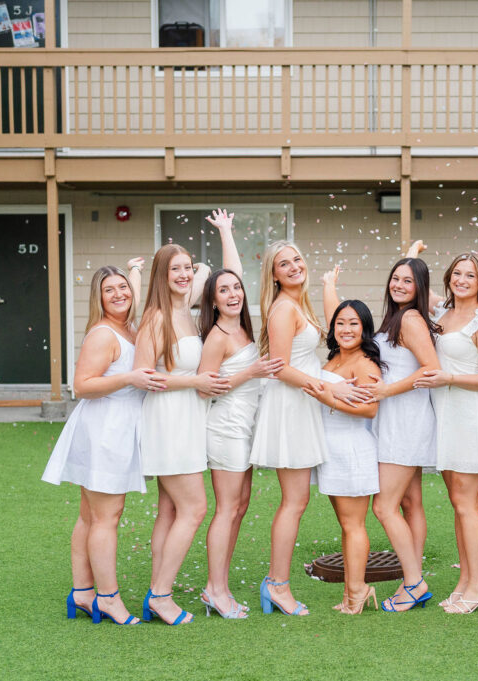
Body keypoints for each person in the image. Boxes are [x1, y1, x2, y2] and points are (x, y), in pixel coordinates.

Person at [249, 241, 368, 616]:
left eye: (297, 259)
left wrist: (328, 286)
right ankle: (277, 585)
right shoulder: (283, 309)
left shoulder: (300, 304)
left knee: (296, 501)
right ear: (273, 274)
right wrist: (326, 386)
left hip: (303, 402)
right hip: (291, 406)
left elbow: (333, 331)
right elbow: (280, 367)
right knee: (294, 502)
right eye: (284, 264)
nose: (294, 266)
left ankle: (277, 583)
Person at [42, 257, 160, 626]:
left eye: (123, 287)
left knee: (90, 515)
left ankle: (82, 592)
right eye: (109, 290)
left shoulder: (127, 327)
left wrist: (135, 272)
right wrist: (130, 379)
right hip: (106, 428)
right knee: (106, 517)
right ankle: (107, 598)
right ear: (99, 298)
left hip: (112, 427)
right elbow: (82, 386)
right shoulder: (103, 334)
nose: (119, 294)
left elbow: (135, 294)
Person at [335, 252, 439, 612]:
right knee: (410, 503)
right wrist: (329, 288)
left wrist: (384, 391)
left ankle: (413, 583)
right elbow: (345, 323)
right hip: (393, 420)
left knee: (384, 507)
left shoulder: (410, 319)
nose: (399, 285)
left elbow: (432, 369)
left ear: (420, 287)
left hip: (405, 421)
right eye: (396, 278)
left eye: (408, 280)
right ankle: (414, 575)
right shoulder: (396, 318)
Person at [197, 210, 284, 619]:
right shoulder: (217, 336)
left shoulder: (242, 327)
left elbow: (231, 270)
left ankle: (221, 584)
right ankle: (215, 589)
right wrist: (250, 371)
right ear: (212, 301)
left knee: (242, 504)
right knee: (227, 507)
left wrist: (227, 232)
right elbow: (203, 384)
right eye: (224, 291)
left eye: (236, 288)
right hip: (226, 428)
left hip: (247, 427)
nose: (233, 293)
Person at [135, 244, 224, 625]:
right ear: (161, 274)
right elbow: (143, 376)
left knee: (170, 510)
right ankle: (161, 595)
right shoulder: (156, 318)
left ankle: (158, 588)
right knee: (195, 508)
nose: (185, 274)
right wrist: (196, 381)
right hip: (168, 421)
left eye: (188, 268)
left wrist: (224, 233)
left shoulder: (185, 312)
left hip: (188, 417)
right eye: (176, 269)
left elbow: (222, 274)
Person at [415, 251, 478, 614]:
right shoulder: (442, 313)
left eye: (470, 275)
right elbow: (412, 286)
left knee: (467, 504)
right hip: (446, 417)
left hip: (471, 416)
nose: (462, 280)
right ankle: (465, 581)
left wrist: (449, 378)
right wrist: (412, 256)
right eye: (457, 273)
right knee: (457, 504)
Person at [306, 289, 383, 615]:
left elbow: (370, 410)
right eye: (340, 323)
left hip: (352, 448)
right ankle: (355, 589)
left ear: (365, 328)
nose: (346, 329)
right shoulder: (335, 358)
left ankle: (357, 592)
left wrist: (324, 397)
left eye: (354, 323)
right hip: (331, 448)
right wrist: (329, 286)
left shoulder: (363, 363)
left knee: (353, 525)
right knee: (345, 523)